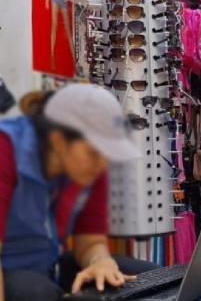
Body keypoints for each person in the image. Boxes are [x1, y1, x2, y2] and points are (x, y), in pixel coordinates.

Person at [0, 84, 158, 301]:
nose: (102, 163)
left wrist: (100, 260)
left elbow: (90, 240)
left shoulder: (89, 166)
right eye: (94, 152)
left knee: (148, 277)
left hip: (47, 268)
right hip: (12, 272)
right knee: (34, 291)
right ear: (58, 141)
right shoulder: (5, 150)